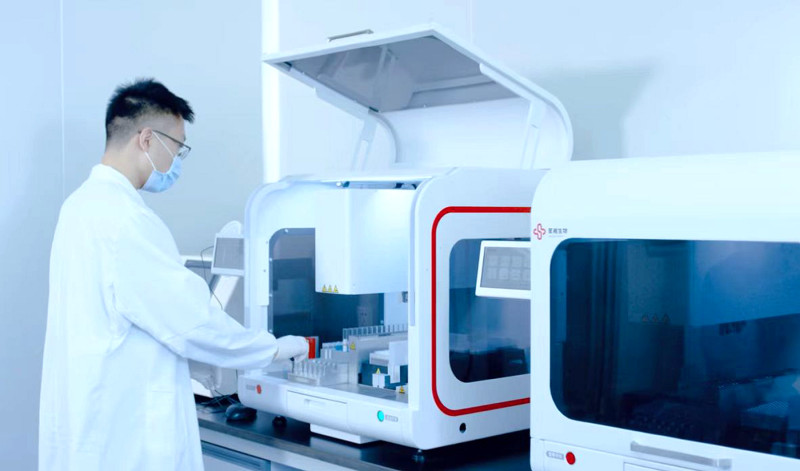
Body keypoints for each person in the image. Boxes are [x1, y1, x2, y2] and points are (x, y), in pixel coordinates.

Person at [39, 78, 308, 470]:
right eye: (178, 148)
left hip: (91, 422)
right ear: (147, 139)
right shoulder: (126, 220)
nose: (177, 162)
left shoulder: (79, 206)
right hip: (126, 439)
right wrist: (273, 349)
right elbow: (192, 322)